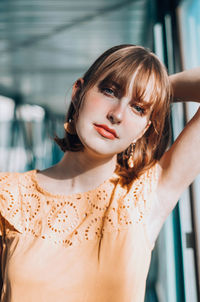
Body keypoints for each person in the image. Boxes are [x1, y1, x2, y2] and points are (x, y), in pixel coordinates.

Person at [0, 44, 199, 302]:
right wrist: (141, 90)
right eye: (109, 91)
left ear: (143, 130)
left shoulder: (148, 195)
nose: (117, 114)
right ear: (78, 92)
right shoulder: (8, 196)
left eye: (138, 108)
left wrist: (156, 90)